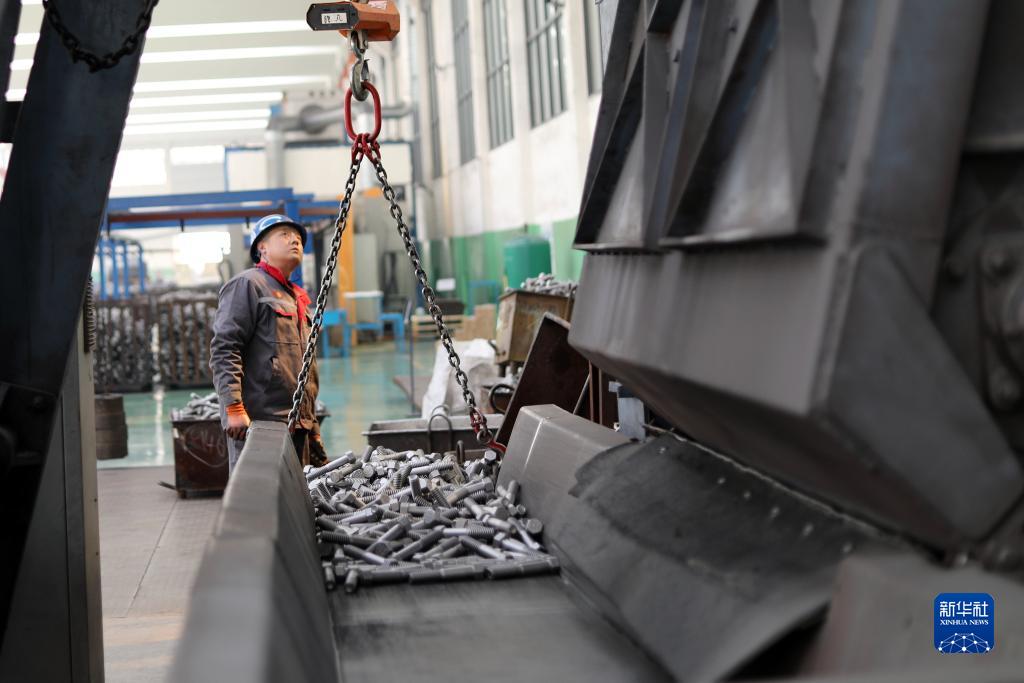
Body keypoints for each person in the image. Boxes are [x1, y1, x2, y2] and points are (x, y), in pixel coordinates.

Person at [209, 214, 327, 472]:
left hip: (297, 424)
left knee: (297, 494)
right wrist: (233, 407)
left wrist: (312, 424)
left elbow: (305, 368)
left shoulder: (296, 298)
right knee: (258, 492)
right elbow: (225, 348)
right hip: (260, 423)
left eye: (298, 238)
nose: (294, 240)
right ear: (261, 247)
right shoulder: (248, 285)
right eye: (284, 235)